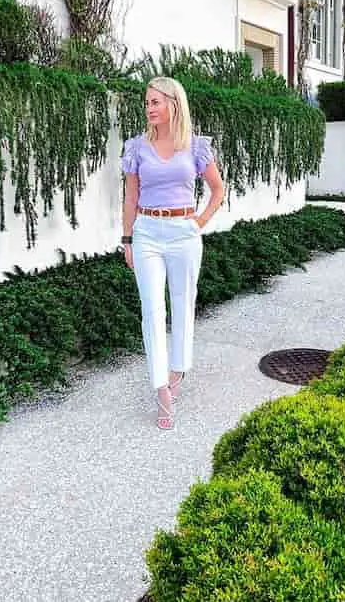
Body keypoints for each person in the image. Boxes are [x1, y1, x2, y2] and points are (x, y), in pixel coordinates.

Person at [121, 76, 224, 430]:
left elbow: (217, 189)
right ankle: (160, 387)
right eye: (147, 102)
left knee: (182, 305)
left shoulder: (195, 147)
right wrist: (127, 239)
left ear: (173, 105)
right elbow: (131, 197)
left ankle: (177, 370)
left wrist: (200, 222)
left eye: (155, 102)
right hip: (147, 231)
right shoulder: (136, 147)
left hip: (183, 232)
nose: (149, 108)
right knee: (152, 310)